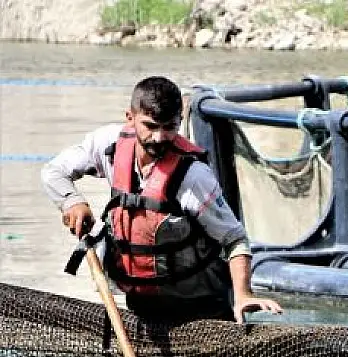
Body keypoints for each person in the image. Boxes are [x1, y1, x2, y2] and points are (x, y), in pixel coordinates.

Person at [42, 75, 282, 325]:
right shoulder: (109, 146)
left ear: (179, 121)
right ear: (130, 118)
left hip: (201, 311)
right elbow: (54, 171)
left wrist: (243, 295)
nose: (159, 137)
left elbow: (235, 239)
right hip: (143, 308)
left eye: (169, 127)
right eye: (150, 126)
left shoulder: (193, 177)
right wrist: (72, 201)